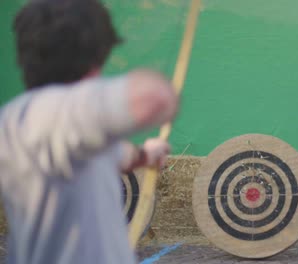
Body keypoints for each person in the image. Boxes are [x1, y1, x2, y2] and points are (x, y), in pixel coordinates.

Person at [0, 0, 179, 263]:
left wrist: (145, 155)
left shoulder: (14, 117)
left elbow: (111, 153)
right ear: (99, 54)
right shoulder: (68, 109)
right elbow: (157, 98)